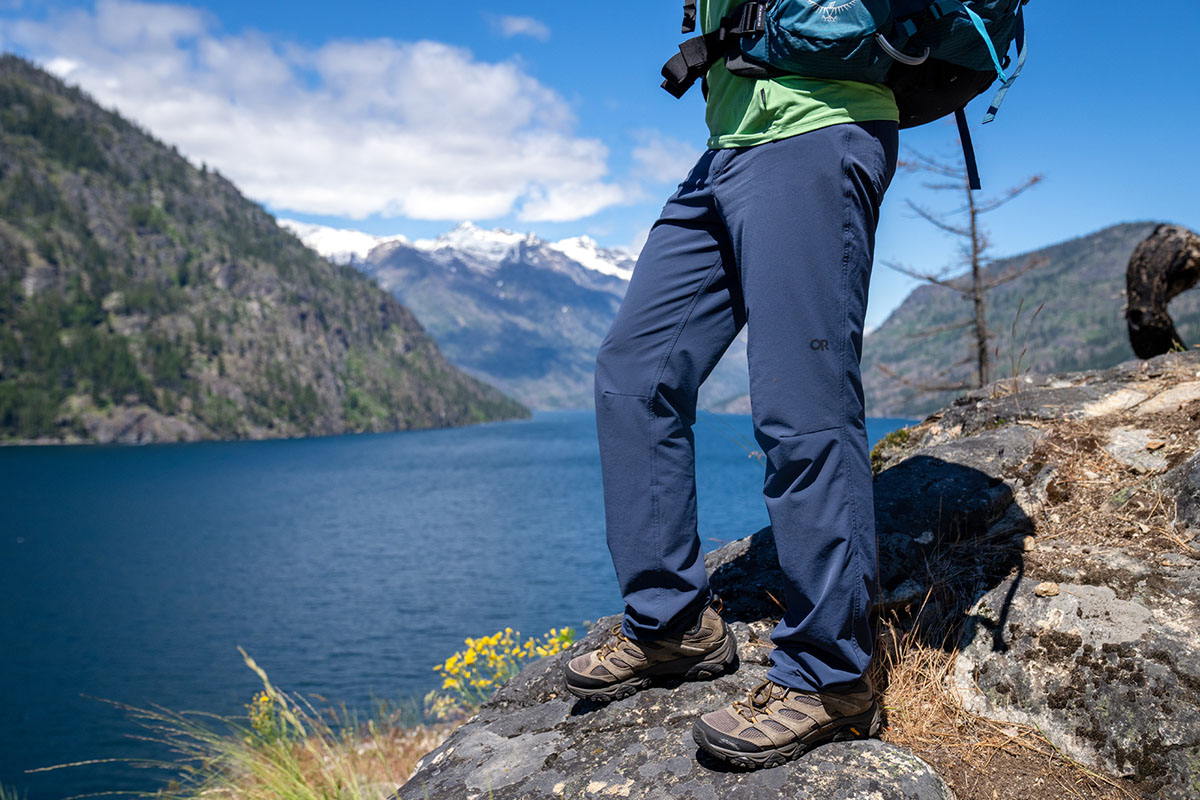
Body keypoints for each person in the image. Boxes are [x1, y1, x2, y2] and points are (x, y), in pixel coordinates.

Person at [561, 0, 900, 770]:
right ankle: (671, 624)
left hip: (816, 124)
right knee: (634, 377)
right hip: (727, 149)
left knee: (801, 402)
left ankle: (831, 676)